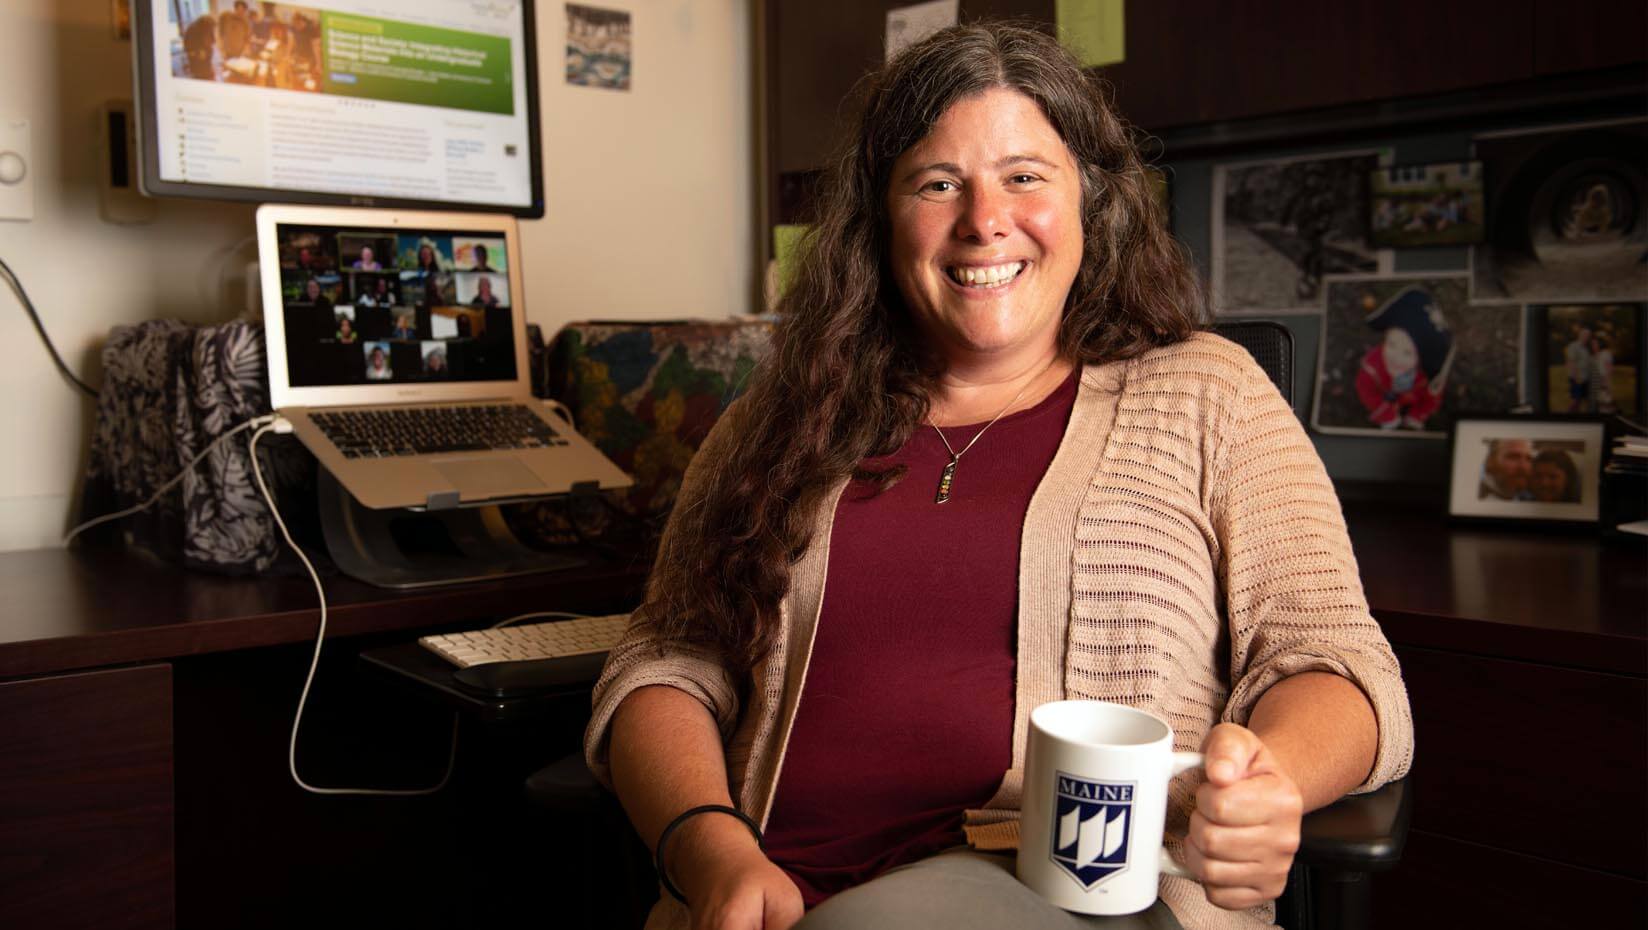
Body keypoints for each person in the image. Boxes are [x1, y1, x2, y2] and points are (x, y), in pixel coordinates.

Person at [584, 24, 1410, 930]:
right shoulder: (782, 412)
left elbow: (1334, 658)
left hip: (1064, 891)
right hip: (758, 899)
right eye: (938, 184)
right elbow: (667, 656)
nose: (985, 220)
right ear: (880, 216)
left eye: (1025, 176)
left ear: (1091, 203)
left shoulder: (1204, 391)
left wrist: (1266, 787)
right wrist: (712, 846)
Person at [1354, 287, 1452, 430]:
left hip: (1410, 402)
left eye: (1407, 352)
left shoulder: (1428, 378)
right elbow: (1367, 393)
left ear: (1422, 356)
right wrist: (1387, 414)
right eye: (1392, 344)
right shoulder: (1371, 370)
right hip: (1386, 404)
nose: (1396, 357)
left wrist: (1416, 416)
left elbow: (1431, 400)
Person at [1565, 325, 1593, 412]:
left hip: (1585, 378)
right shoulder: (1573, 346)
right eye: (1585, 334)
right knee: (1576, 400)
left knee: (1582, 400)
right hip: (1577, 378)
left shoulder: (1586, 348)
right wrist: (1577, 377)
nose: (1586, 337)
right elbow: (1571, 362)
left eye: (1588, 335)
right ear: (1580, 335)